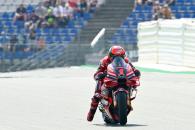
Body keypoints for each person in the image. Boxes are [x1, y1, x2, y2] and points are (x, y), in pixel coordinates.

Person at [87, 45, 141, 121]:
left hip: (122, 79)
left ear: (123, 56)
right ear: (110, 55)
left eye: (120, 56)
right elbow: (97, 73)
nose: (117, 58)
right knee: (97, 94)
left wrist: (136, 72)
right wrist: (100, 74)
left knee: (132, 83)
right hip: (109, 80)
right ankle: (90, 115)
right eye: (114, 56)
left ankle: (127, 99)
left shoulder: (126, 61)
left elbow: (133, 69)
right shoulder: (104, 61)